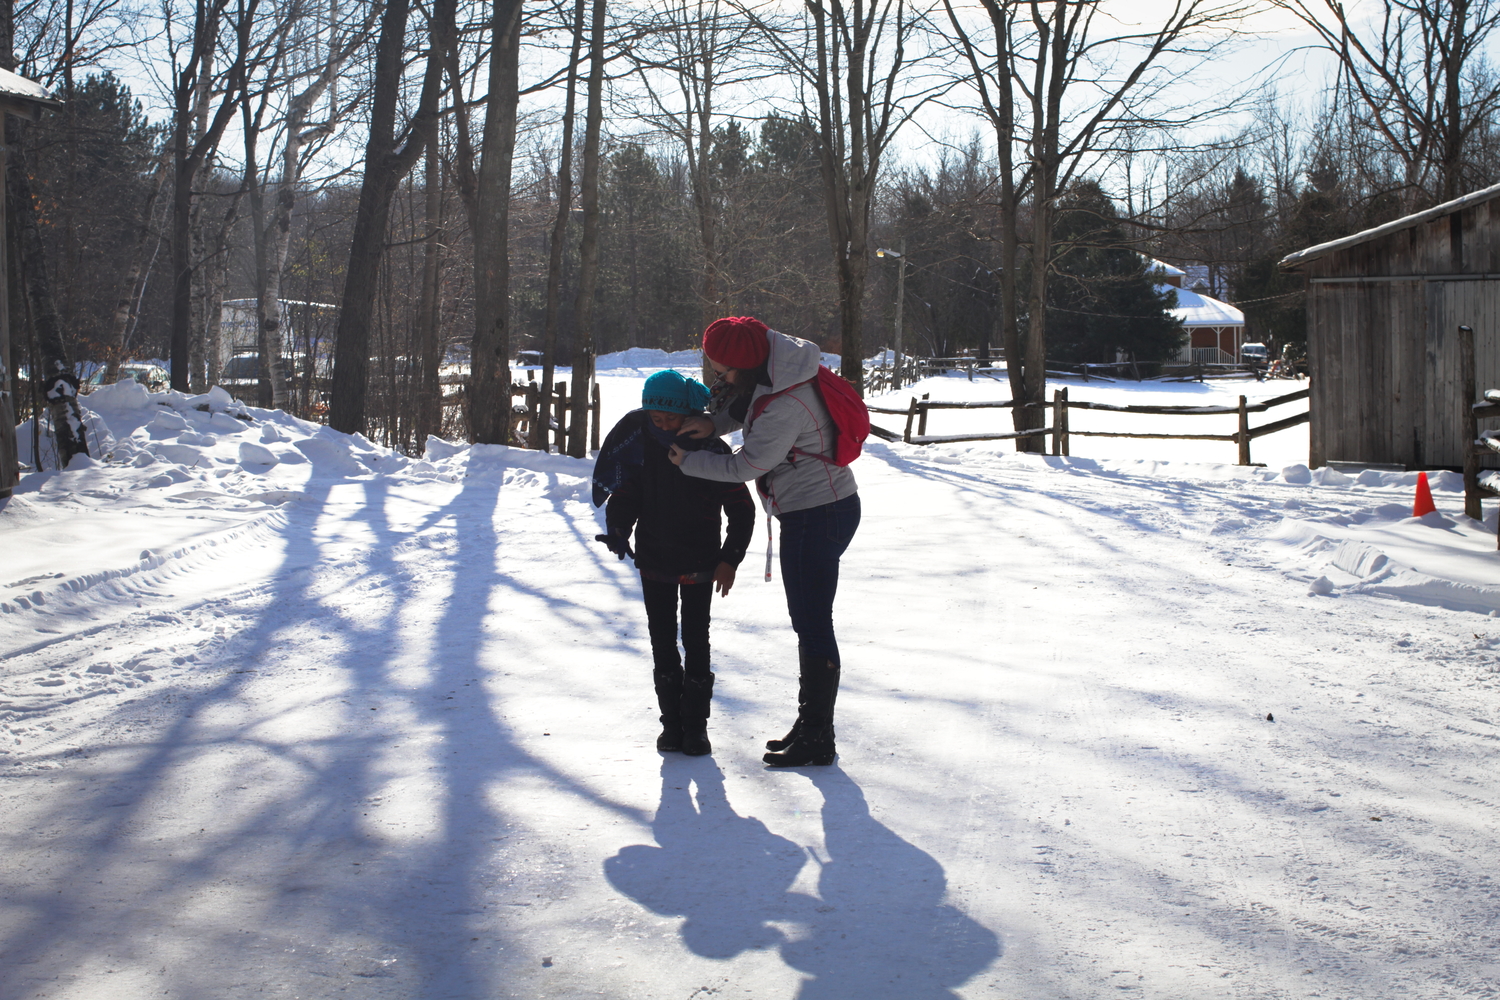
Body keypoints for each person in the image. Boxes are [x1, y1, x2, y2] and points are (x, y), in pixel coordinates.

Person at [668, 316, 860, 768]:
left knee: (812, 623)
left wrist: (687, 462)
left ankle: (817, 738)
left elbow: (744, 467)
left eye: (725, 372)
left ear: (747, 365)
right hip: (817, 508)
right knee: (809, 621)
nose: (720, 379)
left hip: (817, 515)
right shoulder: (778, 368)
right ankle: (812, 726)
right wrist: (712, 425)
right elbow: (745, 407)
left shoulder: (786, 402)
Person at [593, 369, 755, 756]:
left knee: (697, 642)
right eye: (655, 418)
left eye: (671, 418)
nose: (663, 425)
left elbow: (742, 510)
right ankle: (671, 725)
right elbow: (627, 496)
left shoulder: (712, 453)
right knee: (662, 643)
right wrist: (618, 530)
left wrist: (730, 559)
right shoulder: (642, 450)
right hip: (654, 563)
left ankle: (696, 728)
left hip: (700, 564)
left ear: (690, 415)